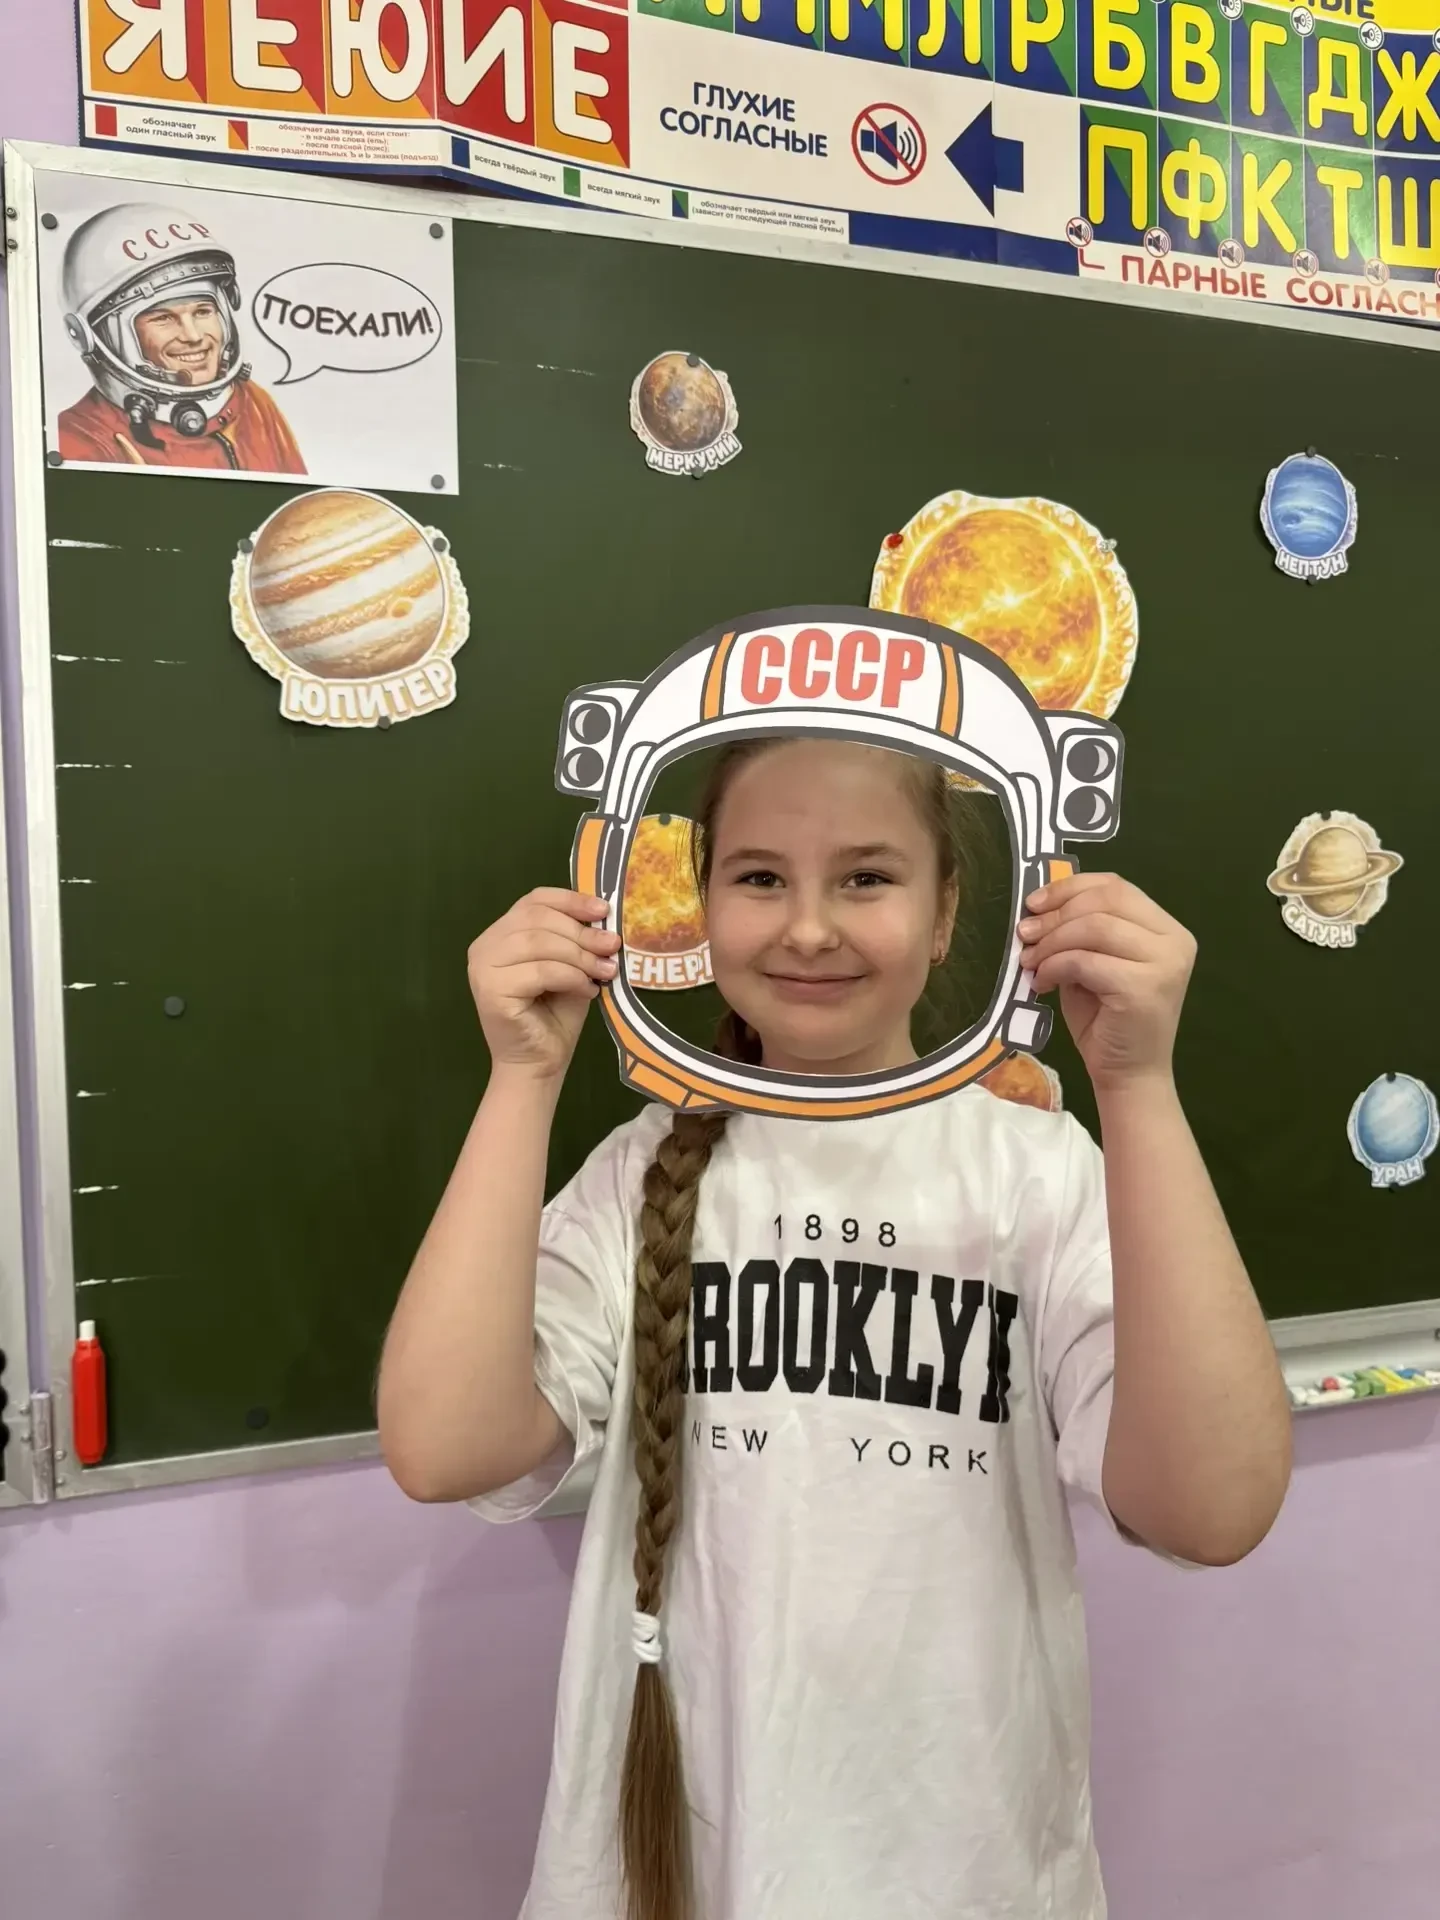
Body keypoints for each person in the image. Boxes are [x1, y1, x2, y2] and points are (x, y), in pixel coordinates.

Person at [379, 737, 1292, 1920]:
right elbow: (443, 1447)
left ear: (948, 910)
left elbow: (1214, 1510)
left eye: (866, 877)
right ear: (703, 901)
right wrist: (522, 1077)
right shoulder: (641, 1172)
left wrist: (1140, 1087)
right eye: (760, 877)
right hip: (677, 1867)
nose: (808, 929)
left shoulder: (1038, 1174)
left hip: (959, 1871)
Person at [55, 202, 304, 475]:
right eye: (163, 318)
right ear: (92, 336)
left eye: (203, 311)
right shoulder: (80, 440)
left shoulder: (252, 404)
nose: (193, 336)